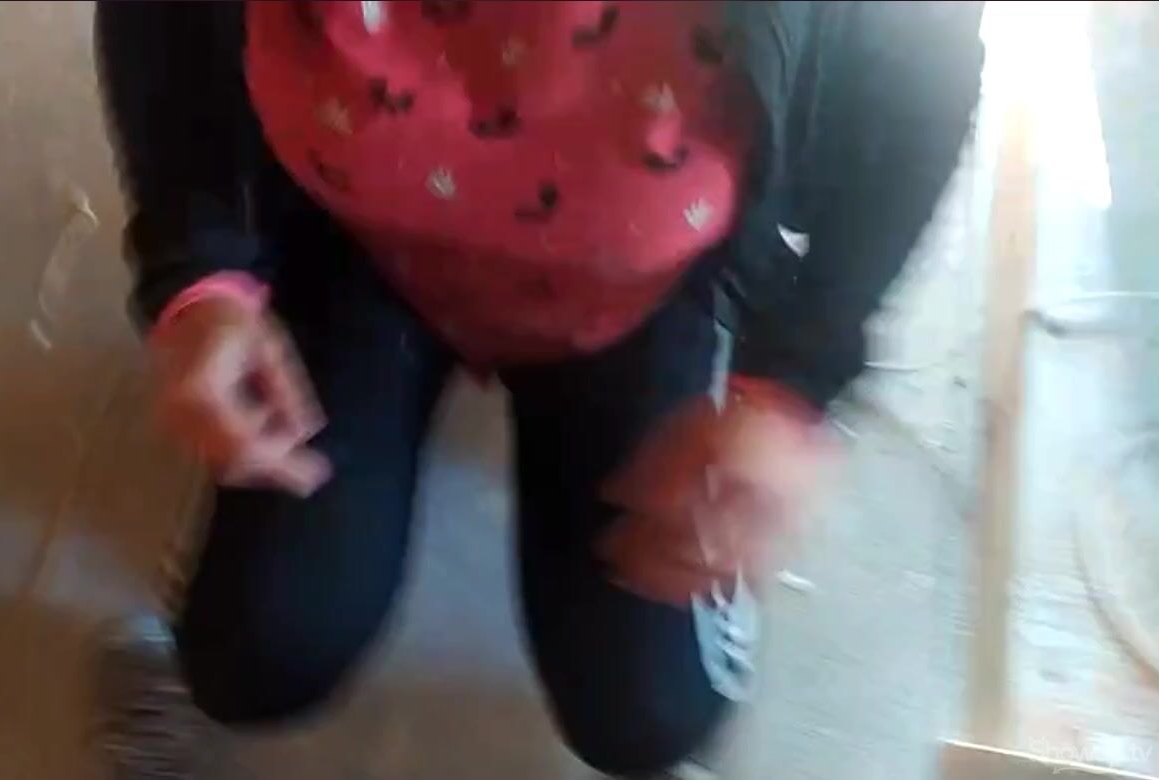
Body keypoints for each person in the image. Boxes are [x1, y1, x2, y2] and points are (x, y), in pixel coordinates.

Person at [92, 2, 984, 778]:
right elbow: (162, 22)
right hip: (357, 246)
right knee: (254, 650)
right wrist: (199, 272)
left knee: (643, 712)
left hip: (649, 292)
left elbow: (924, 66)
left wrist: (791, 382)